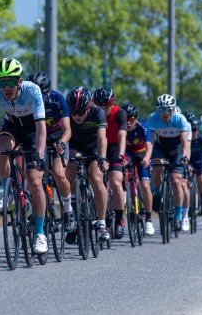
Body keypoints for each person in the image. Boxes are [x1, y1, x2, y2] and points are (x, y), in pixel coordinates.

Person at [0, 58, 48, 254]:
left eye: (10, 82)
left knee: (34, 181)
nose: (6, 87)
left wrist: (39, 155)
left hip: (32, 130)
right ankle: (7, 193)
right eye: (1, 83)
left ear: (19, 81)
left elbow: (41, 126)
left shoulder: (32, 90)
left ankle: (40, 233)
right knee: (1, 149)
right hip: (12, 126)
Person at [26, 72, 75, 230]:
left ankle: (68, 210)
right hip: (37, 138)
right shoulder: (25, 101)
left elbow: (68, 130)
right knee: (35, 177)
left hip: (57, 137)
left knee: (58, 173)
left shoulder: (57, 99)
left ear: (47, 93)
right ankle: (37, 211)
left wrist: (62, 142)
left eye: (41, 96)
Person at [64, 87, 110, 242]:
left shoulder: (98, 112)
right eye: (73, 112)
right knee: (71, 166)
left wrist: (103, 158)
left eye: (81, 112)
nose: (77, 116)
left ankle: (102, 223)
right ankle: (74, 205)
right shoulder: (66, 113)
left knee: (96, 178)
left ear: (88, 107)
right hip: (75, 146)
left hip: (93, 147)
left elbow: (102, 138)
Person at [148, 94, 189, 232]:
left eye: (167, 110)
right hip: (160, 147)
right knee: (157, 169)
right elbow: (151, 142)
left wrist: (184, 156)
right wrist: (148, 157)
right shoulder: (153, 118)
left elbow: (184, 142)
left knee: (176, 180)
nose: (164, 113)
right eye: (161, 110)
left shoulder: (180, 119)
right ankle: (157, 193)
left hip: (176, 149)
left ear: (173, 109)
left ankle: (177, 216)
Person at [93, 86, 127, 239]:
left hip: (114, 148)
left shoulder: (119, 113)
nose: (102, 110)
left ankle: (119, 220)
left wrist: (121, 154)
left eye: (106, 107)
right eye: (99, 107)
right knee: (98, 181)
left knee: (115, 181)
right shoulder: (92, 113)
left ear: (112, 105)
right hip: (97, 146)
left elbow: (122, 135)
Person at [122, 103, 155, 235]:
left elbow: (149, 146)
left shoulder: (143, 126)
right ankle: (124, 194)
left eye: (131, 119)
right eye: (125, 119)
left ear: (136, 119)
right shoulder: (120, 126)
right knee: (120, 173)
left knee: (145, 185)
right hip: (127, 152)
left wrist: (146, 158)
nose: (128, 122)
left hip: (142, 153)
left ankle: (149, 219)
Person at [176, 107, 193, 232]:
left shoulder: (185, 125)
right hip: (170, 151)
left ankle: (185, 215)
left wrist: (186, 161)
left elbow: (187, 146)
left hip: (182, 153)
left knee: (183, 184)